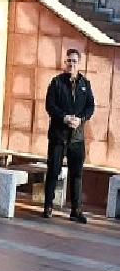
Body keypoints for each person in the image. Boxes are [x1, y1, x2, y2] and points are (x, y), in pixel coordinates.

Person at [43, 48, 94, 224]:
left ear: (79, 64)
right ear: (65, 63)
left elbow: (90, 107)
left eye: (74, 61)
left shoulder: (85, 85)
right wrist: (64, 117)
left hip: (77, 138)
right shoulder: (56, 82)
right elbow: (50, 105)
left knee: (77, 174)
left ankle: (76, 210)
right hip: (58, 136)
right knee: (53, 171)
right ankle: (48, 206)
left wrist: (81, 119)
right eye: (68, 61)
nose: (71, 64)